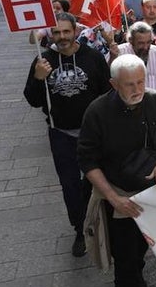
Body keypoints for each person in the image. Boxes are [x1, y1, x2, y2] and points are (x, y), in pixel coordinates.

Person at [78, 54, 156, 287]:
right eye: (129, 85)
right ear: (113, 84)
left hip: (155, 198)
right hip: (121, 201)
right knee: (126, 266)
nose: (137, 89)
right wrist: (113, 199)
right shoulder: (97, 113)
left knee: (144, 254)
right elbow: (87, 161)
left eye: (140, 81)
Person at [25, 13, 111, 256]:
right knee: (69, 186)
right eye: (56, 32)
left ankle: (100, 222)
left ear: (75, 31)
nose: (61, 37)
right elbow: (32, 100)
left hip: (93, 134)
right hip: (61, 134)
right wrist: (37, 79)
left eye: (66, 31)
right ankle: (80, 230)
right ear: (50, 34)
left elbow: (106, 93)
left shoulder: (93, 58)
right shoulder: (43, 60)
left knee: (94, 181)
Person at [113, 22, 156, 109]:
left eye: (148, 42)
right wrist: (112, 57)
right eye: (141, 43)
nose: (146, 47)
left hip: (154, 109)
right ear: (131, 40)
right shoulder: (118, 52)